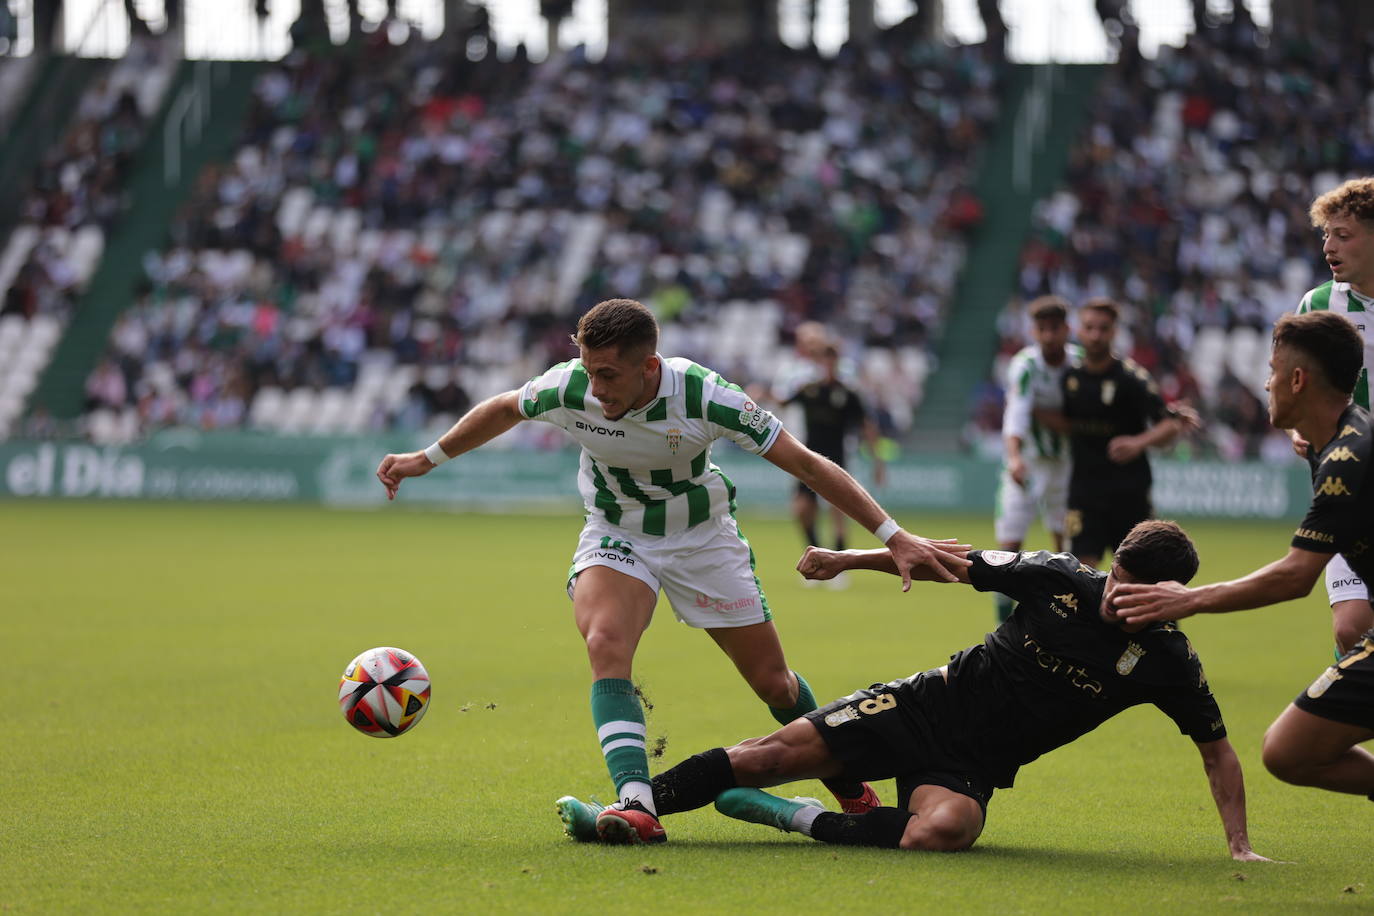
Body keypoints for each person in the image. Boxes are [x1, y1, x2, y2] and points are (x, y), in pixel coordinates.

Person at [375, 298, 970, 844]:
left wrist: (895, 537)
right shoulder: (570, 386)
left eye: (609, 374)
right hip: (616, 532)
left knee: (775, 685)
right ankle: (637, 801)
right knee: (606, 641)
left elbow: (809, 464)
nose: (595, 385)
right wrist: (425, 459)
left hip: (703, 541)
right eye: (588, 368)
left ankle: (850, 789)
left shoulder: (707, 397)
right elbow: (504, 407)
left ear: (649, 366)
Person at [555, 520, 1269, 860]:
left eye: (1137, 592)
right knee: (765, 753)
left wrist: (1238, 847)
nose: (1117, 598)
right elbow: (949, 562)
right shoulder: (1060, 577)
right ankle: (633, 808)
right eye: (1116, 580)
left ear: (1173, 594)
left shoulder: (1170, 661)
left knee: (949, 830)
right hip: (923, 703)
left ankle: (791, 820)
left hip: (972, 765)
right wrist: (851, 557)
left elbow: (1218, 753)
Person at [1114, 312, 1374, 804]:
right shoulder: (1338, 443)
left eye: (1273, 370)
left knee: (1287, 751)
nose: (1266, 382)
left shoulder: (1346, 458)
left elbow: (1295, 576)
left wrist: (1187, 601)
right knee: (1286, 752)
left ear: (1298, 380)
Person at [1040, 299, 1192, 570]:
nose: (1096, 335)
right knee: (1081, 573)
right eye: (1090, 328)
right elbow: (1065, 422)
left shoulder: (1132, 378)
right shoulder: (1069, 379)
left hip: (1129, 493)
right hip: (1084, 494)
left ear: (1114, 332)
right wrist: (1029, 408)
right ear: (1079, 331)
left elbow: (1169, 425)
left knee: (1140, 572)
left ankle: (1157, 612)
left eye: (1104, 328)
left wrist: (1138, 442)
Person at [1293, 179, 1374, 656]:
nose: (1329, 246)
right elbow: (1291, 388)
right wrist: (1296, 431)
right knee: (1349, 629)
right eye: (1326, 235)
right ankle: (1337, 727)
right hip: (1346, 487)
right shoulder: (1318, 306)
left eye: (1343, 234)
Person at [993, 295, 1082, 621]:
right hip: (1027, 462)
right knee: (1008, 545)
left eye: (1054, 329)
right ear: (1034, 331)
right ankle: (1002, 625)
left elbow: (1089, 419)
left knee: (1067, 546)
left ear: (1066, 329)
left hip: (1067, 467)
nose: (1048, 336)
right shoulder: (1026, 366)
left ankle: (1065, 618)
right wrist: (1014, 457)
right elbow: (1016, 414)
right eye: (1042, 329)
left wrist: (1053, 419)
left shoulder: (1081, 364)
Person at [784, 341, 885, 586]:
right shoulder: (808, 390)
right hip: (807, 460)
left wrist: (877, 461)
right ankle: (816, 557)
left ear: (836, 363)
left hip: (836, 460)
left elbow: (866, 426)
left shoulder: (848, 394)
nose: (827, 365)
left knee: (837, 513)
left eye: (831, 361)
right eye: (823, 361)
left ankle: (839, 568)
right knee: (801, 509)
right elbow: (783, 402)